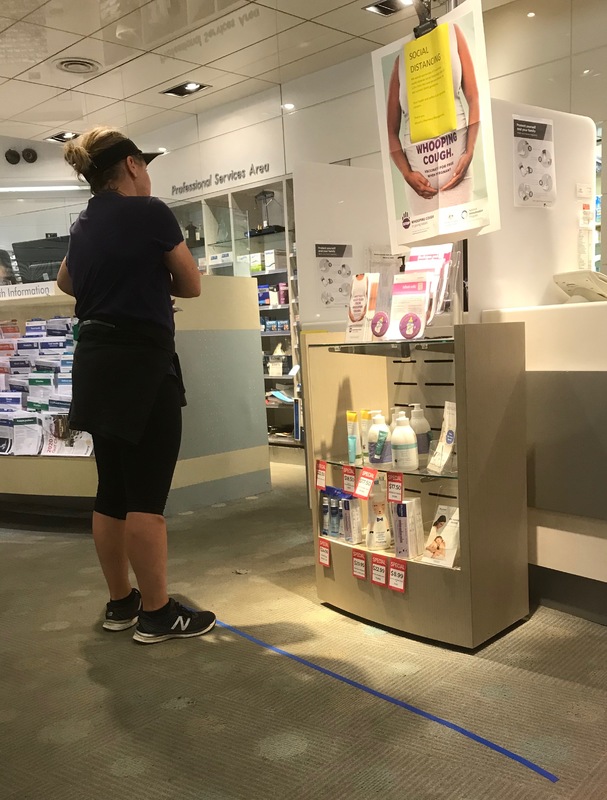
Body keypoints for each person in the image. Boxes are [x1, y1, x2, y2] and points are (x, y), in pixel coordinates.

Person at [57, 126, 216, 644]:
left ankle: (121, 603)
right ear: (130, 165)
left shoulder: (83, 223)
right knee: (147, 498)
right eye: (144, 165)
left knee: (112, 491)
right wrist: (150, 284)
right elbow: (191, 283)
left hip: (96, 363)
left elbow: (65, 281)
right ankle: (158, 613)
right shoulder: (151, 213)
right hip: (144, 368)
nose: (147, 173)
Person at [387, 22, 480, 215]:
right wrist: (407, 174)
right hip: (420, 188)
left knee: (464, 241)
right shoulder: (401, 61)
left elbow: (474, 99)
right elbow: (390, 131)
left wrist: (469, 151)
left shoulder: (453, 34)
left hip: (458, 175)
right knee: (426, 244)